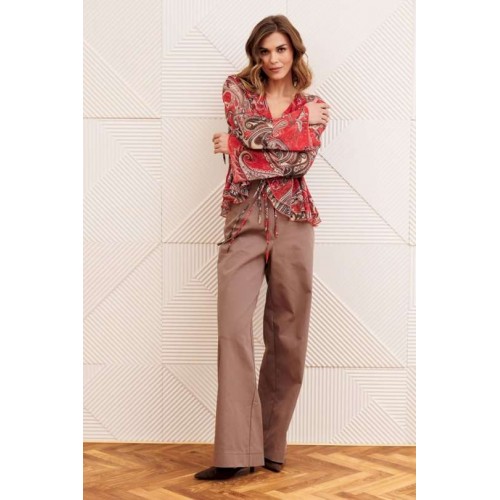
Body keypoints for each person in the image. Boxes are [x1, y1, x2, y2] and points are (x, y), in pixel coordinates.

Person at [195, 14, 330, 481]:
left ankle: (271, 446)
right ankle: (235, 453)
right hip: (243, 220)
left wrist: (237, 147)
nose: (273, 59)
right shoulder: (237, 90)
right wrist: (265, 136)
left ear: (295, 52)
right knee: (233, 329)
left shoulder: (315, 105)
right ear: (256, 54)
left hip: (294, 221)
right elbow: (257, 138)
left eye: (281, 49)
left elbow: (300, 162)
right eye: (265, 50)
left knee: (288, 333)